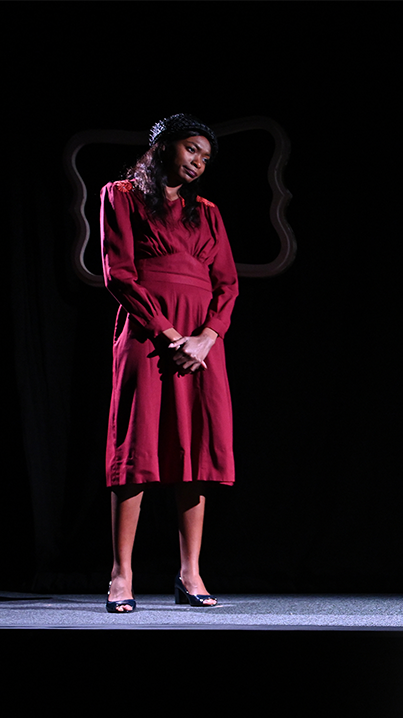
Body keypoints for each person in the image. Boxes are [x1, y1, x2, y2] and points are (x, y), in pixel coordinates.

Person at [102, 113, 238, 613]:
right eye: (191, 150)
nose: (199, 162)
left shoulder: (210, 213)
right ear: (163, 147)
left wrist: (205, 337)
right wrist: (169, 334)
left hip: (202, 344)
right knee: (137, 450)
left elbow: (228, 283)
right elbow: (118, 272)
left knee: (194, 450)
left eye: (205, 156)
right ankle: (122, 574)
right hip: (149, 331)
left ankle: (190, 573)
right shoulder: (121, 195)